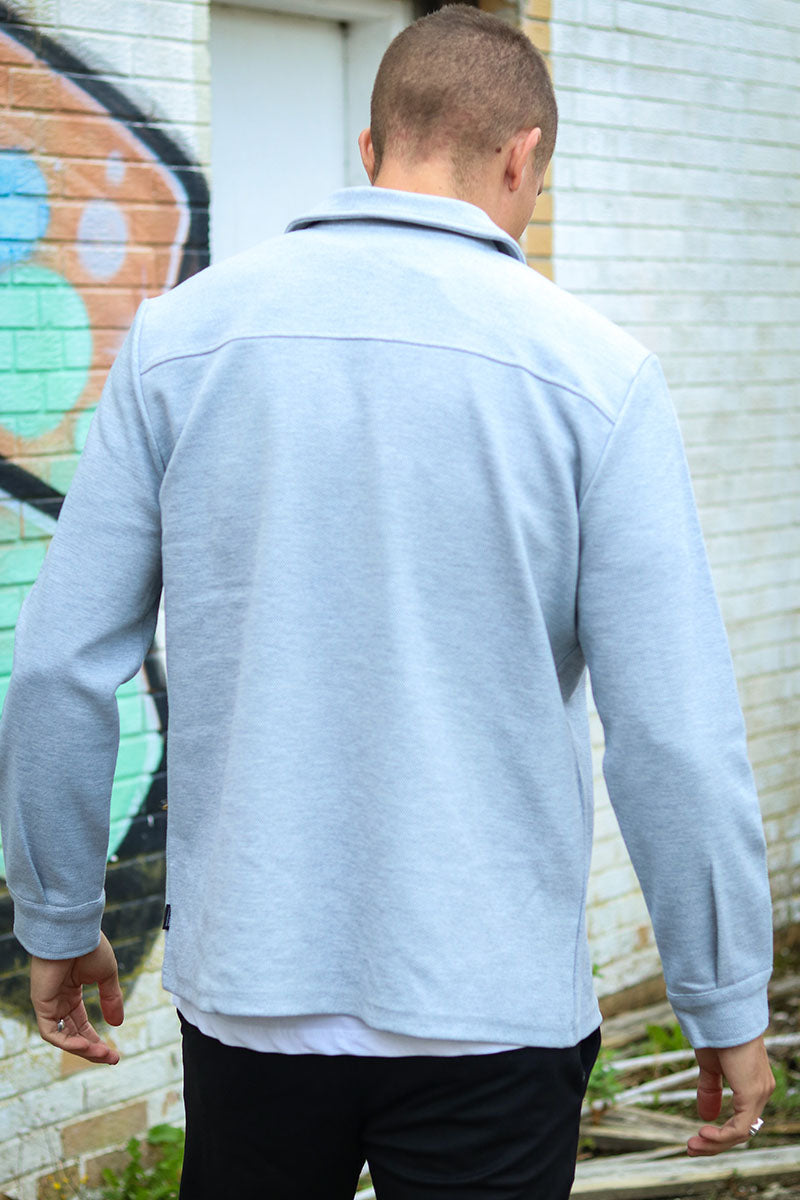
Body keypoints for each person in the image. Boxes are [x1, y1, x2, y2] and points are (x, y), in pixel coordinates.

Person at [0, 6, 775, 1198]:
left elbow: (60, 668)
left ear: (369, 150)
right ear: (521, 156)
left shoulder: (179, 341)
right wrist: (719, 995)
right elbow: (671, 734)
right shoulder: (595, 378)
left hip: (251, 999)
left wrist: (55, 916)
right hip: (490, 1008)